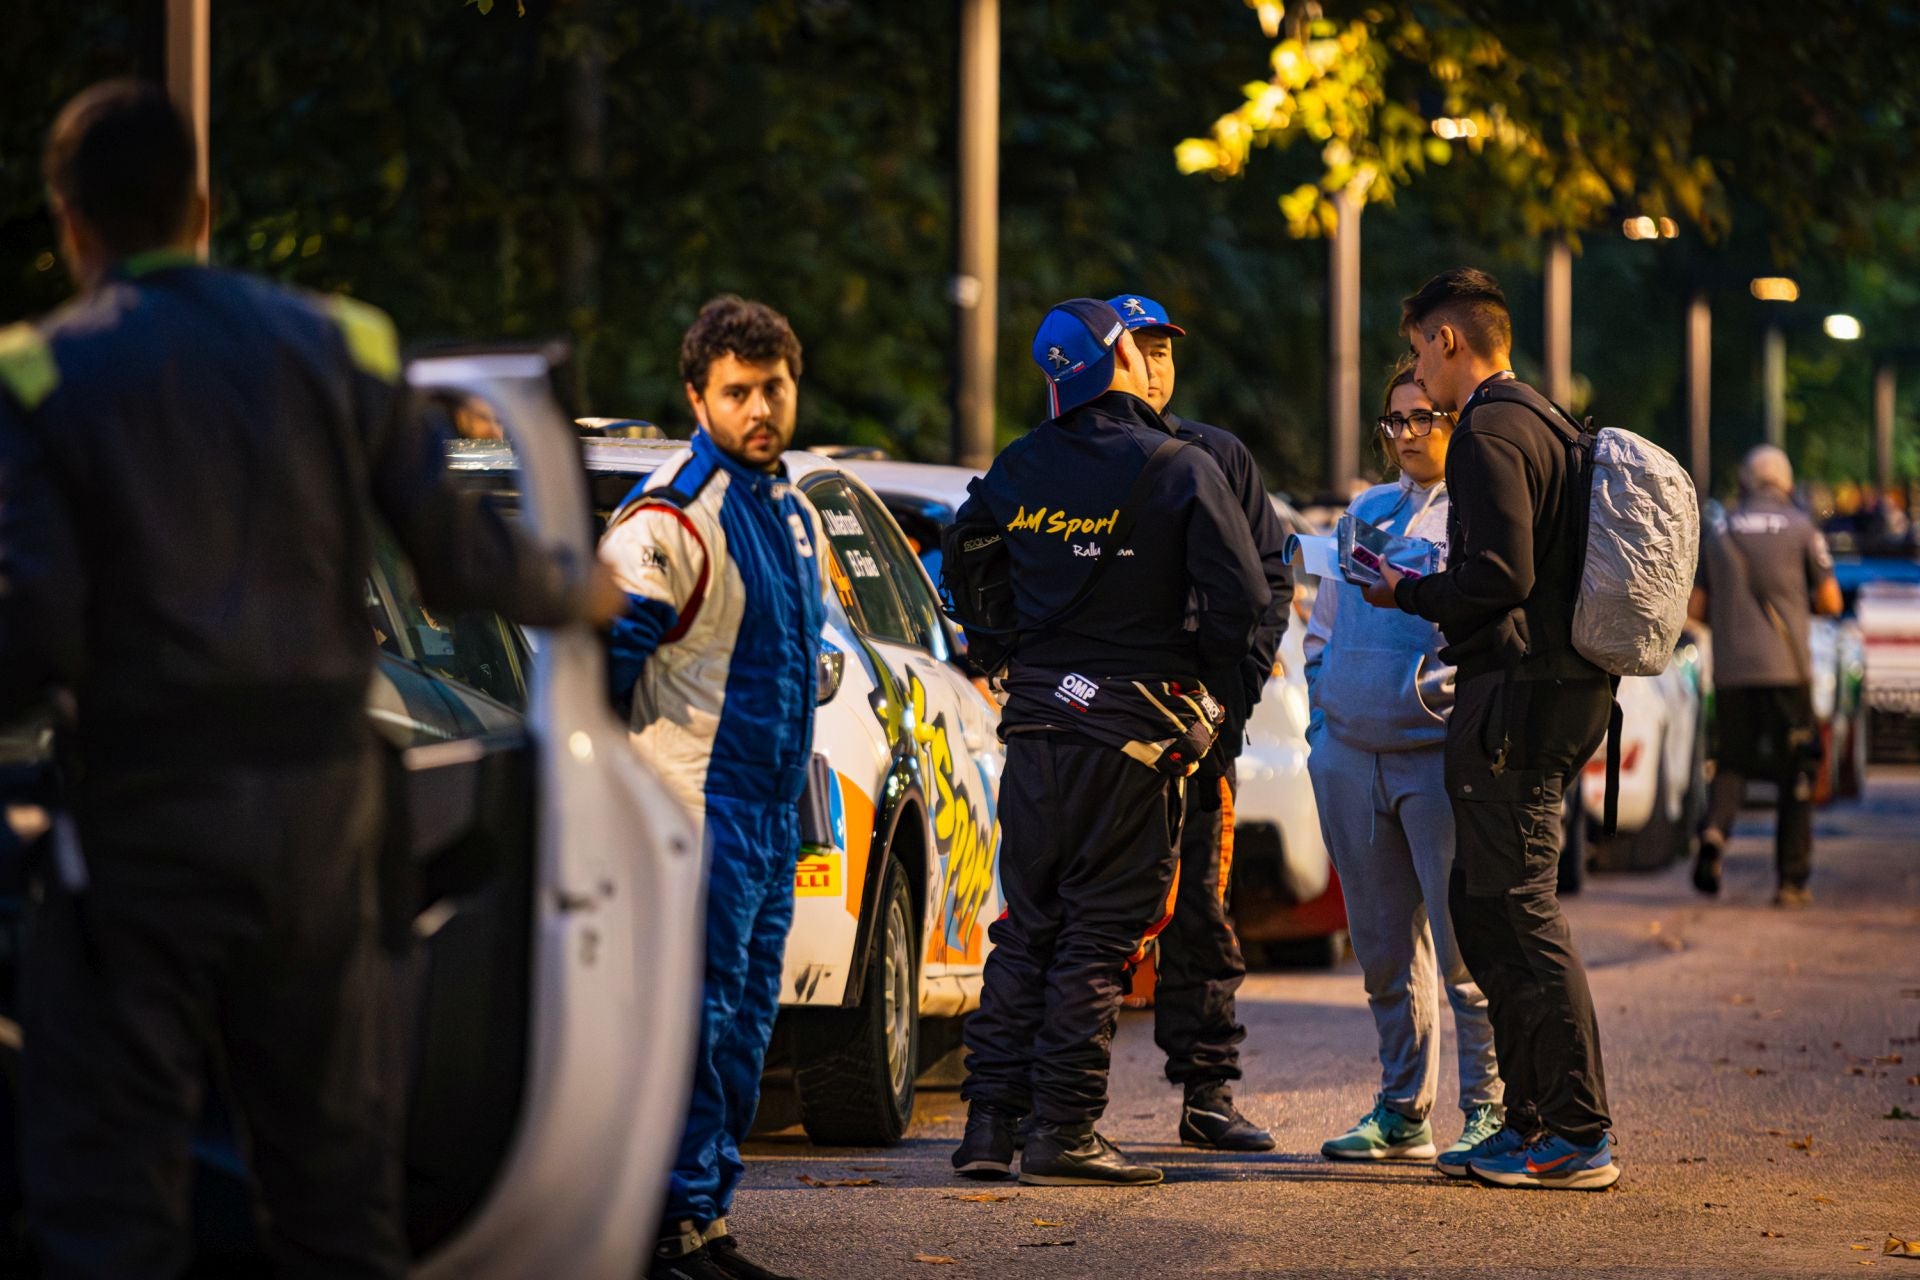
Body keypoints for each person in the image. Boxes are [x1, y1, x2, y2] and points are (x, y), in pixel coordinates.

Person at [0, 82, 620, 1280]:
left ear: (69, 221)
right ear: (204, 206)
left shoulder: (39, 373)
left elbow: (29, 627)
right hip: (326, 828)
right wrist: (580, 586)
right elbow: (457, 553)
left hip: (142, 829)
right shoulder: (344, 343)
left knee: (113, 1201)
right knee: (336, 1200)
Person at [949, 297, 1268, 1187]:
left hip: (1039, 723)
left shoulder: (1020, 462)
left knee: (1028, 925)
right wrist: (1205, 685)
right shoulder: (1178, 465)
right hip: (1136, 730)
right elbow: (1243, 599)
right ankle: (1065, 1130)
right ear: (1119, 356)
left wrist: (1006, 644)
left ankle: (988, 1127)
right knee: (1098, 934)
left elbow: (964, 550)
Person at [1361, 268, 1619, 1191]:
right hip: (1549, 690)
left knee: (1516, 908)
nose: (1415, 371)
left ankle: (1577, 1132)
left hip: (1520, 698)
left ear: (1449, 343)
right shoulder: (1545, 419)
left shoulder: (1486, 432)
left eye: (1420, 347)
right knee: (1487, 901)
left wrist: (1408, 590)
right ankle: (1532, 1120)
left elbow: (1500, 574)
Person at [598, 295, 829, 1280]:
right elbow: (598, 667)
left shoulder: (791, 504)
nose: (760, 406)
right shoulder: (667, 516)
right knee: (690, 1022)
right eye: (738, 390)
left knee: (741, 1023)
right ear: (698, 395)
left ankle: (703, 1222)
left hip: (768, 815)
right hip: (691, 816)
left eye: (773, 384)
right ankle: (660, 1227)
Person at [1306, 359, 1504, 1174]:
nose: (1408, 434)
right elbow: (1321, 626)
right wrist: (1328, 704)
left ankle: (1492, 1108)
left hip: (1435, 761)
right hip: (1351, 756)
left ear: (1455, 420)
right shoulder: (1363, 512)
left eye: (1424, 416)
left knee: (1466, 951)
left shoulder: (1480, 517)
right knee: (1382, 949)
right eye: (1395, 420)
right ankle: (1401, 1108)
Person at [1105, 293, 1291, 1152]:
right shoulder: (1071, 460)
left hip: (1196, 741)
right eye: (1140, 348)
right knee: (1086, 917)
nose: (1156, 364)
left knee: (1201, 917)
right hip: (1094, 742)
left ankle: (1207, 1094)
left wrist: (1230, 707)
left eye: (1165, 349)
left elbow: (1268, 586)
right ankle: (1058, 1098)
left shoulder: (1215, 454)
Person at [1690, 445, 1842, 907]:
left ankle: (1715, 833)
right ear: (1786, 483)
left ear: (1746, 482)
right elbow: (1832, 602)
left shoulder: (1719, 531)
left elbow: (1696, 608)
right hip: (1787, 672)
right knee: (1795, 772)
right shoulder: (1803, 530)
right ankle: (1791, 880)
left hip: (1733, 673)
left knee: (1732, 760)